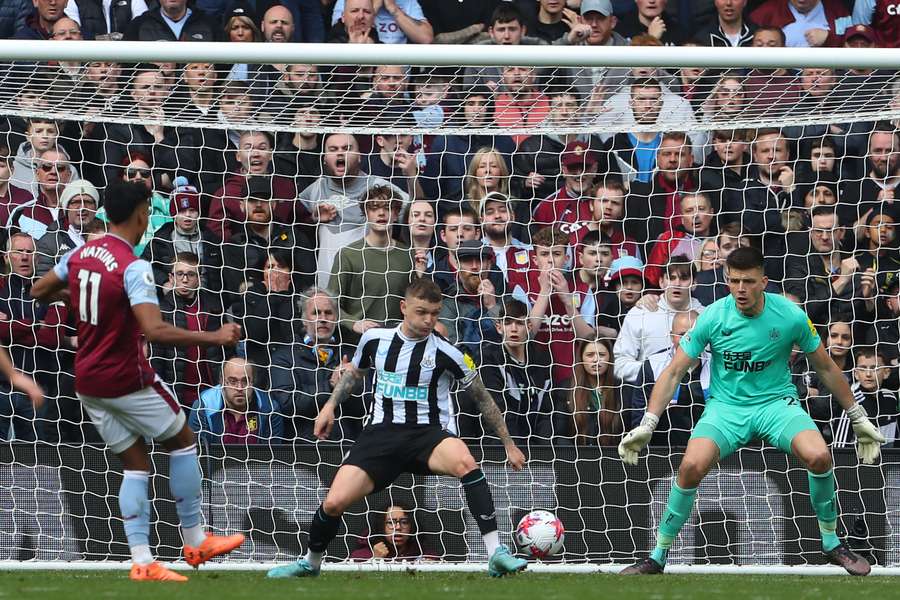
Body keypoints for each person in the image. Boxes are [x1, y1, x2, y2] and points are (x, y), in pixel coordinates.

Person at [618, 246, 881, 576]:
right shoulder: (713, 316)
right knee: (690, 466)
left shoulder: (791, 316)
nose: (740, 289)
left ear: (764, 282)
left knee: (819, 457)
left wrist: (857, 417)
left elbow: (827, 368)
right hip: (727, 408)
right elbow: (673, 371)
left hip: (776, 405)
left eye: (748, 281)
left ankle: (830, 542)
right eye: (734, 281)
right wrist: (648, 422)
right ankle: (657, 556)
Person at [30, 180, 245, 582]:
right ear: (143, 213)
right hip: (125, 375)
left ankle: (143, 561)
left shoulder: (81, 253)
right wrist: (214, 337)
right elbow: (156, 329)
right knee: (183, 439)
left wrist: (74, 297)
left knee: (135, 464)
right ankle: (196, 539)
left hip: (88, 379)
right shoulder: (134, 266)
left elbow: (39, 289)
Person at [266, 278, 528, 578]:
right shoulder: (375, 340)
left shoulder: (448, 352)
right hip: (381, 435)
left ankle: (495, 552)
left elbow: (482, 397)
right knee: (334, 501)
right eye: (421, 312)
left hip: (428, 435)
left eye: (435, 313)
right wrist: (329, 406)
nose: (429, 320)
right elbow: (354, 374)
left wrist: (508, 443)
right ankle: (310, 563)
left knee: (467, 463)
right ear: (404, 308)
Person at [270, 286, 365, 441]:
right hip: (301, 447)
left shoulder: (353, 356)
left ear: (336, 318)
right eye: (316, 313)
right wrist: (331, 385)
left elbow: (368, 404)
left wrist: (352, 385)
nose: (323, 318)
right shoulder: (284, 357)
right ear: (304, 320)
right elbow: (286, 403)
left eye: (328, 313)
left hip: (347, 445)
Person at [150, 253, 225, 408]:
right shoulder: (161, 312)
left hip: (211, 395)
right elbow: (155, 361)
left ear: (199, 278)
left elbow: (225, 352)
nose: (185, 279)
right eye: (180, 274)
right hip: (177, 397)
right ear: (171, 278)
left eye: (190, 274)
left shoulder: (214, 307)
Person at [630, 310, 709, 447]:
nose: (688, 339)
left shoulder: (718, 365)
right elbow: (639, 411)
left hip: (709, 449)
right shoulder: (653, 365)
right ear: (672, 336)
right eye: (682, 334)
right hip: (663, 450)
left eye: (694, 333)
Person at [189, 357, 284, 445]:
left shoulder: (270, 409)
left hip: (256, 463)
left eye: (245, 381)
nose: (239, 388)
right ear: (222, 382)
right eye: (232, 381)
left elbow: (272, 456)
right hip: (215, 463)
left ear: (252, 382)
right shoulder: (203, 406)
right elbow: (198, 454)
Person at [34, 179, 99, 278]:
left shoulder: (111, 235)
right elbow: (44, 283)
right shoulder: (49, 242)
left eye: (88, 202)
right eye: (75, 202)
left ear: (95, 207)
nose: (82, 207)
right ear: (66, 208)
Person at [570, 336, 624, 447]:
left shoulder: (623, 389)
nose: (596, 359)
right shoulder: (565, 389)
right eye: (590, 355)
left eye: (602, 355)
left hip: (614, 458)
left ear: (610, 358)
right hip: (574, 458)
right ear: (581, 358)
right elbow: (556, 433)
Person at [350, 502, 434, 560]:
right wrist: (374, 560)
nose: (398, 527)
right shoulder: (361, 556)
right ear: (381, 526)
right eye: (391, 522)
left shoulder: (426, 555)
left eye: (404, 522)